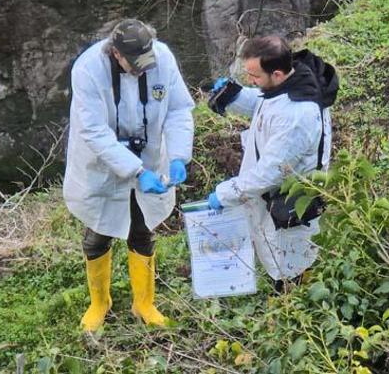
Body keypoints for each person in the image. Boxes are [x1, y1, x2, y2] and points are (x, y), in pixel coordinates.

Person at [63, 19, 194, 330]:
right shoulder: (88, 70)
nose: (143, 70)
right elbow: (94, 131)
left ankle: (144, 303)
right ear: (117, 54)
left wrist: (178, 155)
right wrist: (134, 170)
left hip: (150, 159)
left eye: (147, 63)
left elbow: (178, 109)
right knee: (98, 233)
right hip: (102, 166)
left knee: (143, 229)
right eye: (136, 65)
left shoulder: (162, 58)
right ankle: (100, 302)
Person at [205, 36, 337, 289]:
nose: (250, 81)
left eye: (254, 76)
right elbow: (267, 102)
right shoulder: (289, 81)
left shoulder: (298, 116)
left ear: (277, 73)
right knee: (276, 254)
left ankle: (294, 308)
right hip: (271, 197)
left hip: (290, 202)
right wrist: (235, 96)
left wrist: (226, 193)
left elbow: (270, 173)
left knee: (291, 264)